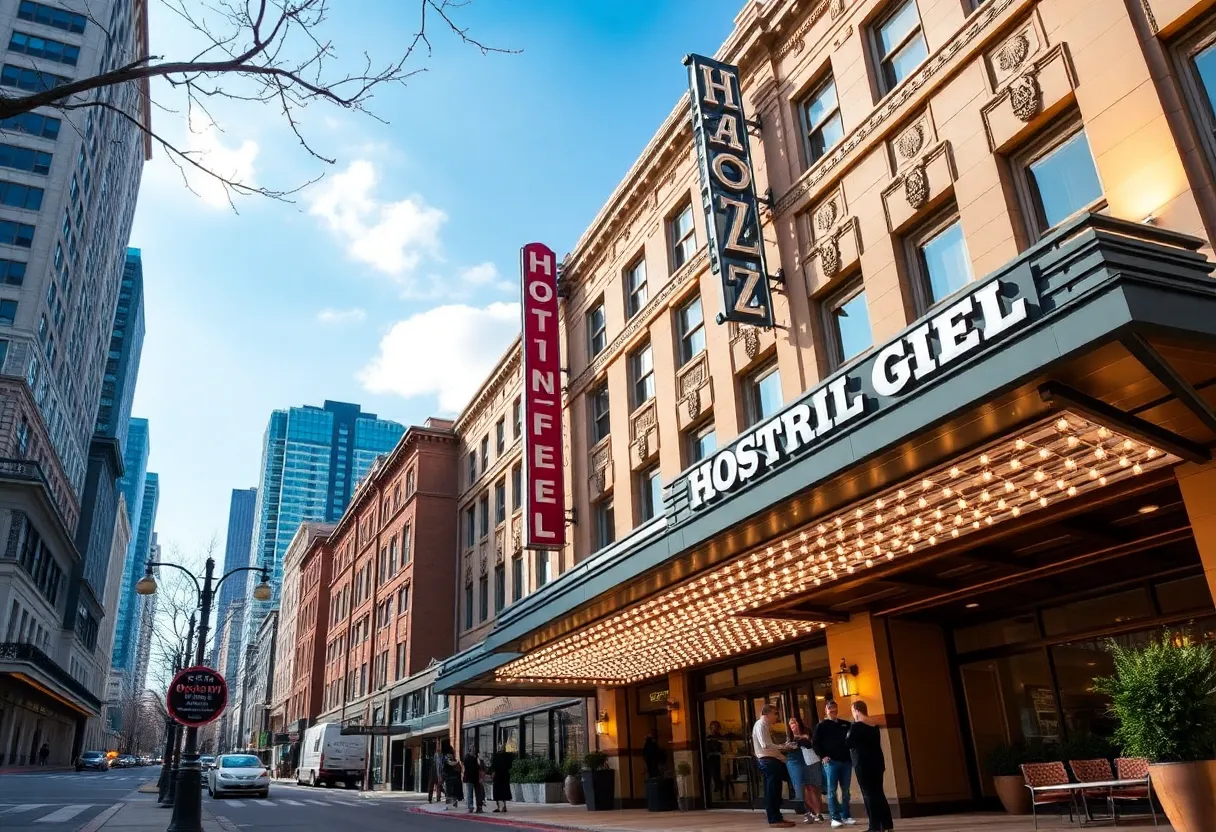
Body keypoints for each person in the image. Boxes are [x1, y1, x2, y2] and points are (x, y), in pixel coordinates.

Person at [847, 702, 893, 832]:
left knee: (868, 795)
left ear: (856, 710)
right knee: (879, 793)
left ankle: (874, 826)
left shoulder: (856, 726)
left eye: (852, 710)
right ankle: (887, 824)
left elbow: (848, 743)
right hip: (877, 762)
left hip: (863, 764)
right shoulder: (873, 725)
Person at [811, 700, 856, 828]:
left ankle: (846, 815)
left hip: (846, 761)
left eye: (835, 709)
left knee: (846, 790)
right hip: (831, 762)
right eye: (830, 709)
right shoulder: (821, 726)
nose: (833, 711)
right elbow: (815, 743)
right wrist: (822, 756)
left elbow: (851, 740)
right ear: (826, 710)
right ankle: (834, 817)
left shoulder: (845, 724)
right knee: (832, 790)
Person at [752, 704, 795, 828]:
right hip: (768, 761)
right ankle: (774, 819)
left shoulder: (765, 726)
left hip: (772, 761)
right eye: (775, 713)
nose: (777, 716)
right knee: (772, 790)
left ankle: (777, 817)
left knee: (775, 789)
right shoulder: (761, 725)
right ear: (767, 713)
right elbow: (765, 745)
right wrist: (784, 747)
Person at [787, 715, 825, 824]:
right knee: (803, 788)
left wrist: (803, 739)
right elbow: (787, 747)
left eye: (795, 722)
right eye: (791, 723)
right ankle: (811, 812)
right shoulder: (789, 737)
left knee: (813, 788)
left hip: (810, 762)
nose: (794, 725)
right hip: (796, 762)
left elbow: (810, 744)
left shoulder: (806, 733)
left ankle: (818, 813)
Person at [489, 744, 514, 813]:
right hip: (503, 775)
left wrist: (492, 772)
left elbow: (493, 766)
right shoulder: (507, 756)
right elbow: (510, 766)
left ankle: (501, 806)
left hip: (500, 775)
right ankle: (502, 806)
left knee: (499, 791)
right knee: (502, 791)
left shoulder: (497, 756)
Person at [706, 721, 726, 800]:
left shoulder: (721, 737)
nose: (714, 729)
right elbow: (707, 750)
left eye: (716, 727)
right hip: (711, 760)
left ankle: (721, 794)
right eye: (713, 727)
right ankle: (715, 794)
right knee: (714, 776)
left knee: (721, 776)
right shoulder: (709, 738)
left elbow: (723, 748)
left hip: (720, 759)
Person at [461, 747, 482, 813]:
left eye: (474, 750)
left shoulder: (474, 758)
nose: (473, 752)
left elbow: (478, 766)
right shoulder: (468, 758)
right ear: (470, 751)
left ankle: (476, 806)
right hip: (470, 778)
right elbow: (476, 766)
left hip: (475, 778)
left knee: (476, 793)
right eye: (472, 750)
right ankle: (471, 806)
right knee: (470, 793)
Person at [442, 746, 462, 811]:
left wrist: (443, 778)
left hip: (449, 779)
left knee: (448, 793)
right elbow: (459, 770)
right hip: (455, 779)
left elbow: (444, 771)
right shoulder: (455, 761)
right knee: (454, 793)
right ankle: (454, 803)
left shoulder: (446, 761)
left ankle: (448, 806)